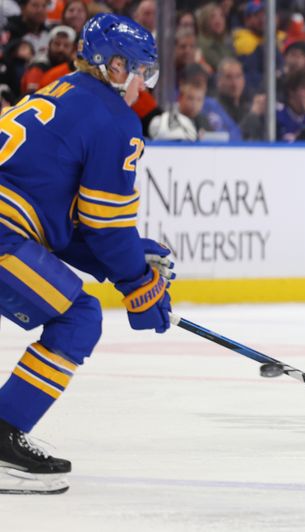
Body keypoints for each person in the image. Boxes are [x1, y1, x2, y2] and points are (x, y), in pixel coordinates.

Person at [0, 13, 173, 494]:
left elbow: (69, 227)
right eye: (141, 70)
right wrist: (138, 282)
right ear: (116, 67)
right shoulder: (117, 119)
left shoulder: (58, 91)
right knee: (78, 317)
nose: (144, 83)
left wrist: (129, 262)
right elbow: (106, 224)